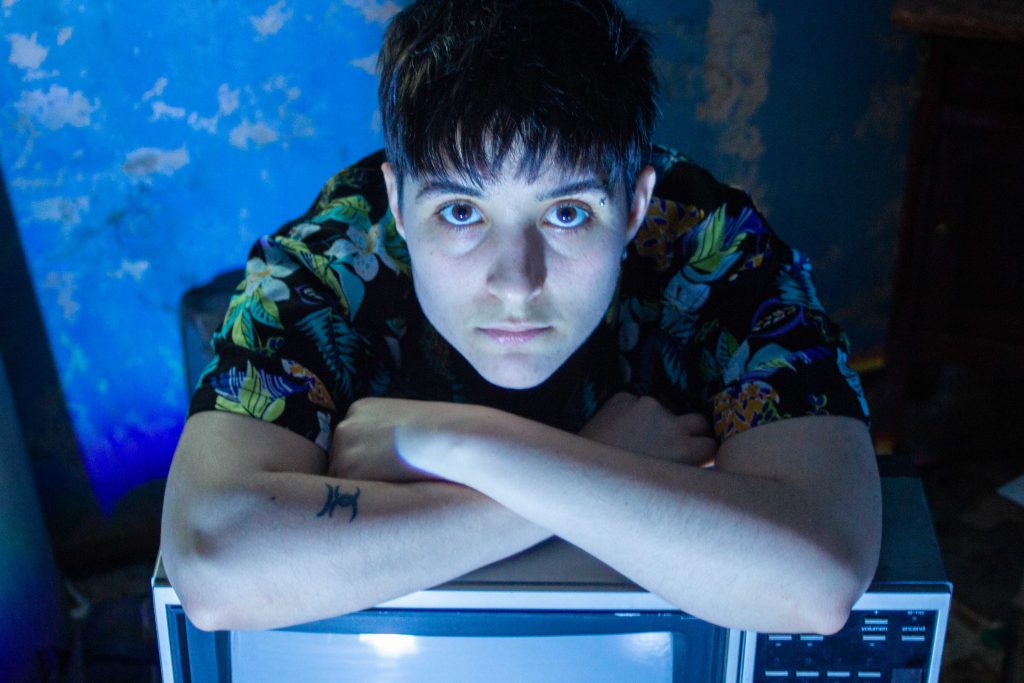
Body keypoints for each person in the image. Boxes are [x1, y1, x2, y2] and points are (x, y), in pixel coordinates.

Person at [161, 0, 881, 635]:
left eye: (567, 213)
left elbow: (815, 583)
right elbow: (216, 565)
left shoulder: (713, 248)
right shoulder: (331, 260)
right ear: (398, 201)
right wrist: (601, 461)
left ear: (634, 205)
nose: (516, 283)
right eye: (460, 212)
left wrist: (452, 444)